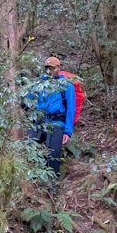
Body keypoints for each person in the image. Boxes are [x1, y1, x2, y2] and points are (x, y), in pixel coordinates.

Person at [25, 56, 76, 192]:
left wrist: (67, 131)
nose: (49, 71)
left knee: (54, 153)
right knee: (28, 144)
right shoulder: (39, 84)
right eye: (47, 68)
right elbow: (26, 101)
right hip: (40, 122)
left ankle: (53, 186)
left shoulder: (66, 85)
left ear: (58, 68)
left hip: (57, 122)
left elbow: (71, 109)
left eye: (52, 68)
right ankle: (35, 178)